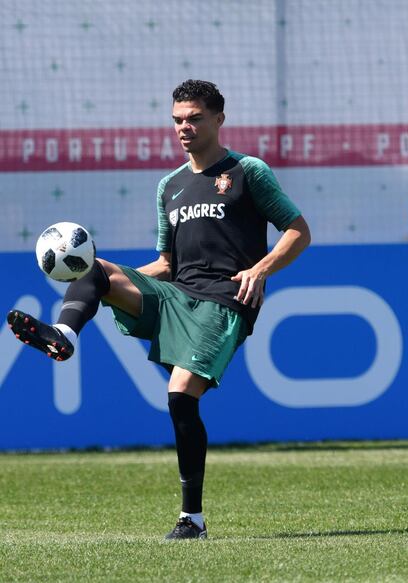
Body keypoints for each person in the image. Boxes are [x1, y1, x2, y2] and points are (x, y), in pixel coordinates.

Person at [7, 79, 311, 540]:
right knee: (95, 267)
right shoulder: (169, 186)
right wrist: (119, 279)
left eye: (194, 118)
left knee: (179, 395)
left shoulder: (249, 171)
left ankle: (193, 519)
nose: (184, 127)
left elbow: (297, 231)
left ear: (218, 120)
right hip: (178, 294)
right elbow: (168, 264)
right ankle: (65, 336)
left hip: (224, 300)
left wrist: (261, 269)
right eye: (177, 120)